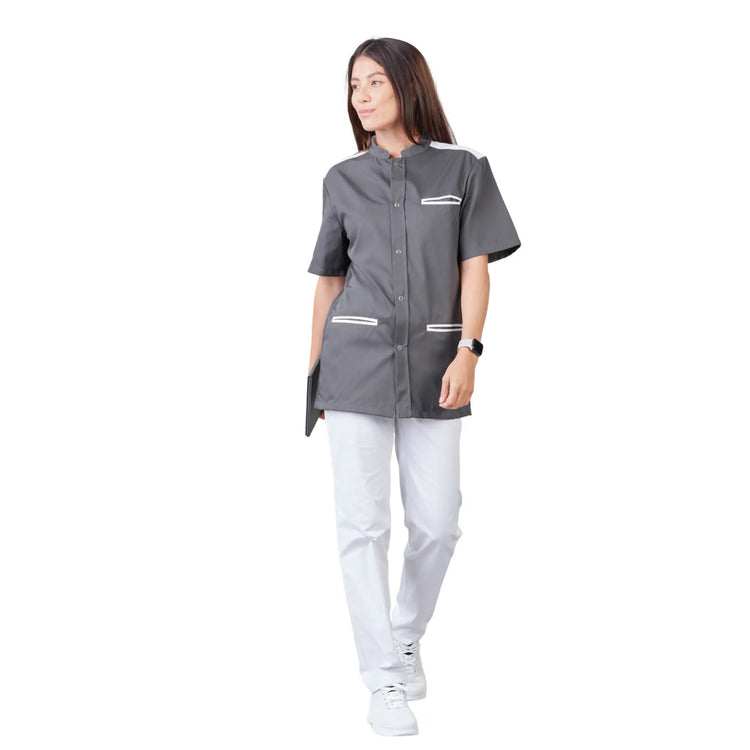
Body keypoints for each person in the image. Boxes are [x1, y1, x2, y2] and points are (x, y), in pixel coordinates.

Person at [306, 37, 521, 736]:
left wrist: (470, 351)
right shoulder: (341, 179)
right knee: (361, 526)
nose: (361, 96)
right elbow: (329, 282)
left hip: (437, 367)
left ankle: (404, 634)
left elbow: (474, 268)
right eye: (354, 85)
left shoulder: (464, 169)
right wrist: (315, 376)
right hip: (354, 367)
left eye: (374, 82)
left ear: (407, 84)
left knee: (437, 522)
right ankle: (382, 678)